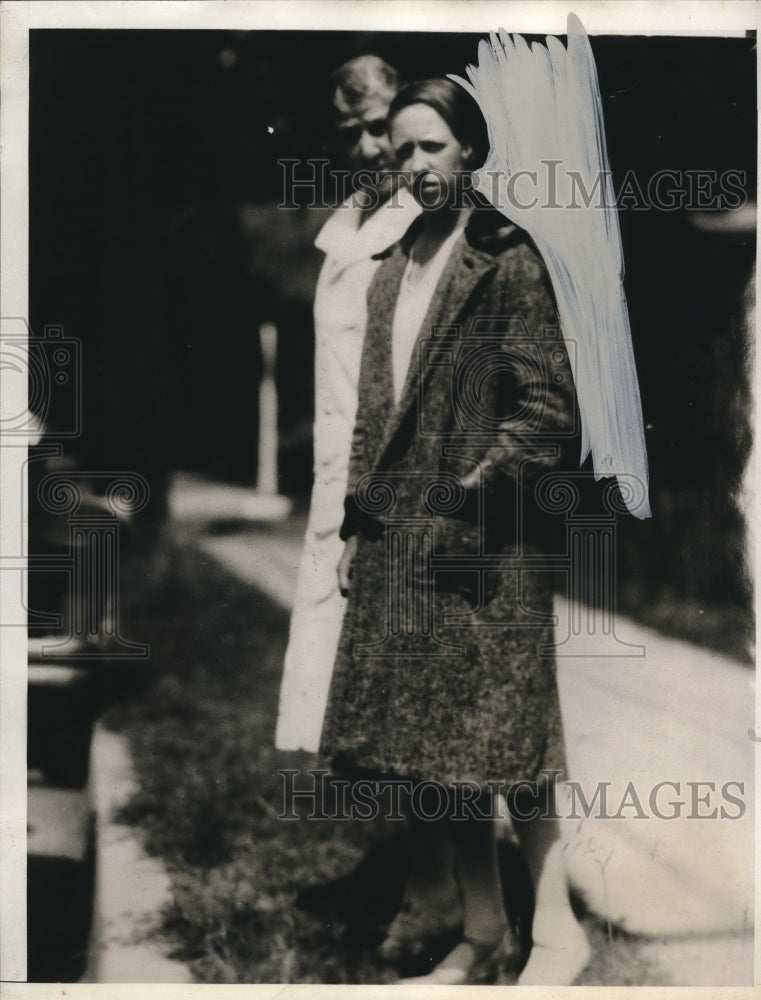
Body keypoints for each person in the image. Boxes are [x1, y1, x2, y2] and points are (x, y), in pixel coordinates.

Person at [320, 78, 590, 985]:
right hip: (402, 552)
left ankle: (541, 936)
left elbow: (548, 412)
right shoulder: (393, 265)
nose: (415, 165)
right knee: (438, 762)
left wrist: (472, 495)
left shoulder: (507, 259)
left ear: (469, 152)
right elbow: (372, 421)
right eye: (400, 150)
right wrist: (359, 528)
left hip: (484, 547)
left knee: (503, 751)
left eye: (432, 146)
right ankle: (484, 934)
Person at [274, 56, 420, 754]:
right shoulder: (347, 225)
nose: (364, 150)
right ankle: (430, 864)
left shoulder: (427, 226)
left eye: (375, 129)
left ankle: (456, 865)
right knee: (365, 703)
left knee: (420, 698)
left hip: (399, 485)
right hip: (342, 479)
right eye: (346, 133)